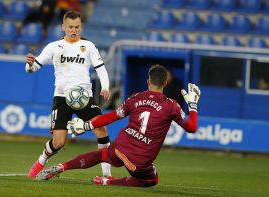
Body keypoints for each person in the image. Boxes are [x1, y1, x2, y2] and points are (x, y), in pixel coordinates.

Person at [36, 65, 201, 187]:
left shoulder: (135, 98)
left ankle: (62, 166)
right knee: (152, 180)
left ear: (148, 81)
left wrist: (87, 126)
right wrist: (192, 106)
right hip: (139, 160)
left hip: (121, 146)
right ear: (165, 82)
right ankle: (108, 182)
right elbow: (192, 128)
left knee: (101, 155)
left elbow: (111, 116)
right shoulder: (171, 105)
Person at [25, 10, 112, 180]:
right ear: (63, 27)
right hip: (62, 97)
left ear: (81, 27)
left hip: (84, 96)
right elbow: (33, 67)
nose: (74, 30)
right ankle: (41, 160)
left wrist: (105, 86)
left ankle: (106, 175)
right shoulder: (53, 47)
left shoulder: (89, 46)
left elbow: (100, 68)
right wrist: (29, 65)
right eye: (71, 27)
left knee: (101, 129)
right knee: (59, 142)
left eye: (77, 27)